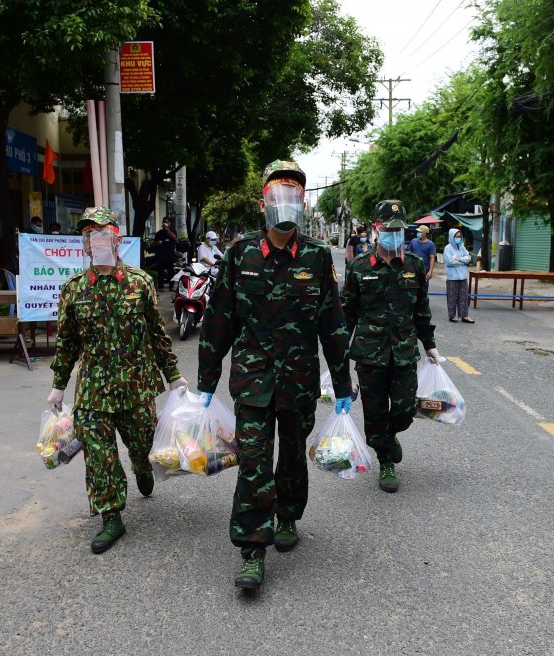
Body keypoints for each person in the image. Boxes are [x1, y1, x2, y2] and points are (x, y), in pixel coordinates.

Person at [197, 160, 352, 591]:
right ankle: (251, 548)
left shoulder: (318, 257)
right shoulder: (240, 254)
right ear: (262, 202)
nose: (286, 204)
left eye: (294, 196)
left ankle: (287, 516)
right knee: (253, 462)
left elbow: (333, 325)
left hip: (299, 380)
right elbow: (218, 322)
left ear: (303, 204)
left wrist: (342, 384)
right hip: (252, 380)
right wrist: (206, 383)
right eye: (278, 195)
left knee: (290, 455)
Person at [48, 206, 187, 553]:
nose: (94, 240)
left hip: (136, 386)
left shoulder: (140, 283)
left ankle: (142, 468)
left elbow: (157, 334)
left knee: (142, 447)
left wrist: (174, 376)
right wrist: (58, 384)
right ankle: (111, 516)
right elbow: (67, 342)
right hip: (93, 390)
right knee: (98, 456)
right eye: (87, 234)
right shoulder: (74, 290)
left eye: (100, 233)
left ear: (116, 239)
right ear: (83, 244)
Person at [341, 199, 442, 494]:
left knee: (404, 409)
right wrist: (339, 357)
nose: (394, 235)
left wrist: (430, 345)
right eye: (388, 229)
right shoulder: (359, 268)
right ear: (376, 228)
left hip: (404, 352)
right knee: (373, 415)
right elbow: (347, 314)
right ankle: (386, 459)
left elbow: (421, 310)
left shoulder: (413, 266)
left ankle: (391, 434)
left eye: (399, 230)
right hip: (369, 355)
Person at [442, 228, 473, 323]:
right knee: (452, 297)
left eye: (460, 237)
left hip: (463, 276)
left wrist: (459, 259)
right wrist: (462, 262)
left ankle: (464, 315)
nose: (458, 238)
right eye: (456, 237)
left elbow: (468, 258)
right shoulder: (447, 248)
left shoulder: (462, 247)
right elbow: (450, 262)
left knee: (463, 297)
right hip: (452, 277)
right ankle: (452, 315)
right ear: (452, 237)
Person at [151, 217, 178, 292]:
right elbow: (155, 242)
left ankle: (171, 286)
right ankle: (160, 287)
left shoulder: (172, 231)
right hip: (161, 255)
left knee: (171, 272)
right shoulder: (160, 232)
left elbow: (174, 237)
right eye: (164, 222)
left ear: (169, 223)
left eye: (167, 222)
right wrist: (158, 242)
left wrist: (167, 229)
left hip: (170, 255)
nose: (165, 223)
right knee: (161, 272)